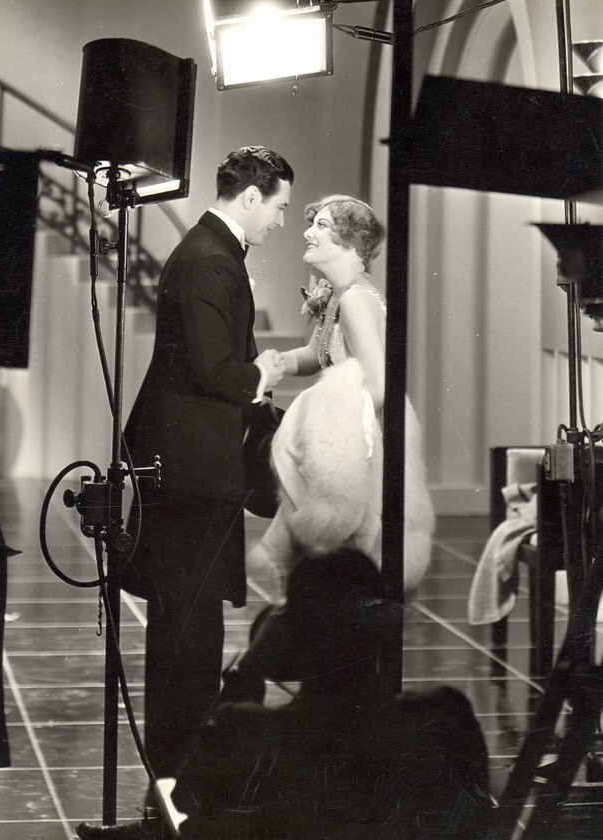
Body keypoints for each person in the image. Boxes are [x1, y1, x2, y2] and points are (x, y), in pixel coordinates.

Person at [76, 146, 294, 840]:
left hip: (192, 468)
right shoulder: (209, 258)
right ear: (251, 197)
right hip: (191, 473)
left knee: (187, 636)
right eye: (281, 206)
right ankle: (175, 800)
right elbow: (214, 367)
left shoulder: (210, 251)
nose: (283, 220)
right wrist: (263, 372)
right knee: (187, 639)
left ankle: (175, 798)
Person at [173, 548, 493, 839]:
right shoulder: (444, 718)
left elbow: (182, 802)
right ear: (382, 630)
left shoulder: (247, 731)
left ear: (290, 636)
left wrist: (249, 670)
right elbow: (478, 820)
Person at [246, 195, 435, 599]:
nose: (307, 232)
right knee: (324, 557)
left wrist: (331, 439)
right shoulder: (341, 294)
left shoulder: (355, 300)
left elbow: (379, 386)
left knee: (344, 550)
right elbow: (317, 356)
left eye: (322, 226)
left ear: (349, 242)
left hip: (364, 436)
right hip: (351, 429)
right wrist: (271, 363)